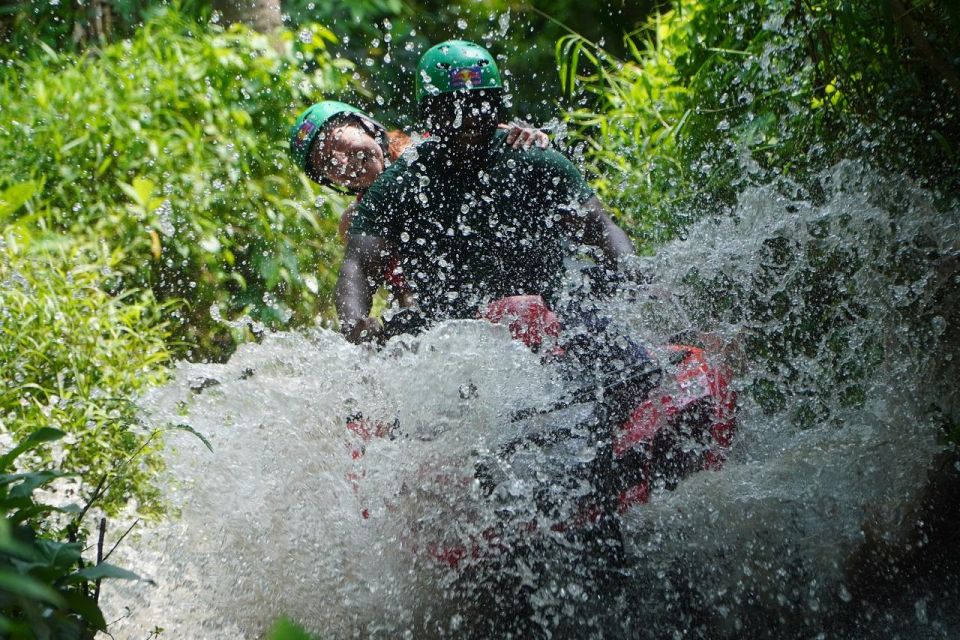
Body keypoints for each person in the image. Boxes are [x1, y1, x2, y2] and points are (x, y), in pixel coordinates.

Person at [335, 40, 635, 345]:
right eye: (451, 107)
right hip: (454, 337)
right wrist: (356, 326)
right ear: (428, 113)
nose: (469, 117)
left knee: (587, 318)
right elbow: (357, 266)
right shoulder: (399, 184)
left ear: (496, 106)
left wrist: (632, 276)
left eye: (480, 103)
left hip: (551, 315)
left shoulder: (535, 158)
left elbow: (601, 228)